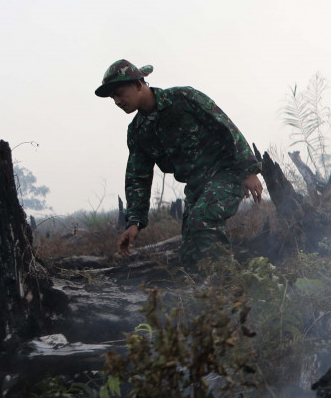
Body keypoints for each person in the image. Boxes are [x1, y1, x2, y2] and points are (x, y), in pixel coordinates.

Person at [95, 59, 264, 268]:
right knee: (190, 251)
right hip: (196, 187)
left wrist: (249, 171)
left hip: (226, 172)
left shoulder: (183, 98)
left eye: (120, 93)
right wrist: (134, 222)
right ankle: (206, 296)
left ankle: (226, 288)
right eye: (113, 97)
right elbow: (137, 177)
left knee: (202, 221)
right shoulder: (138, 131)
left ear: (138, 85)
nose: (117, 101)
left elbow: (225, 126)